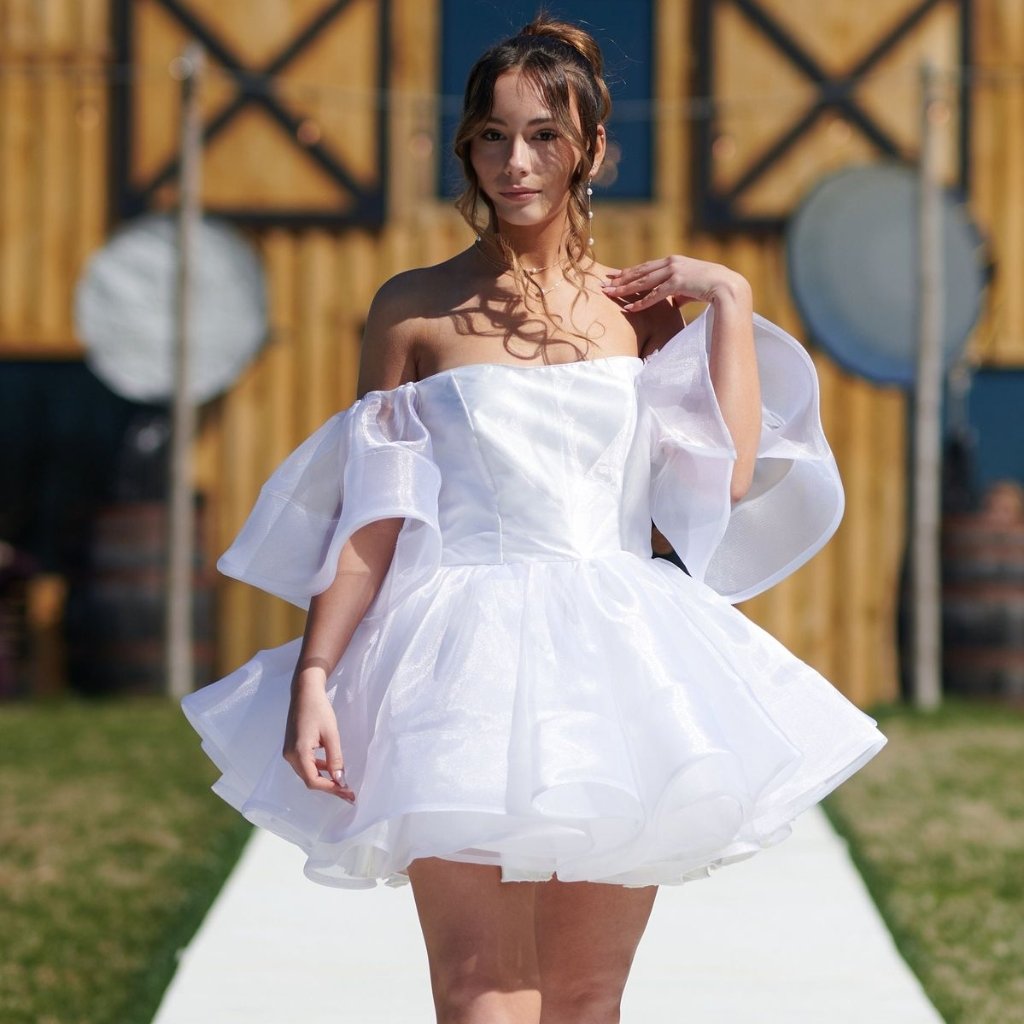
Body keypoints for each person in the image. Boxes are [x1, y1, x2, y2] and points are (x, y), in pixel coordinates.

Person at [181, 14, 888, 1023]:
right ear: (465, 145)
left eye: (544, 135)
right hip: (454, 663)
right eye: (493, 135)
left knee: (586, 999)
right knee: (478, 995)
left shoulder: (638, 309)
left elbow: (718, 484)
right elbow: (373, 510)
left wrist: (727, 296)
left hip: (614, 660)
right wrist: (315, 673)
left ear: (590, 148)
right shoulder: (413, 308)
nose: (516, 160)